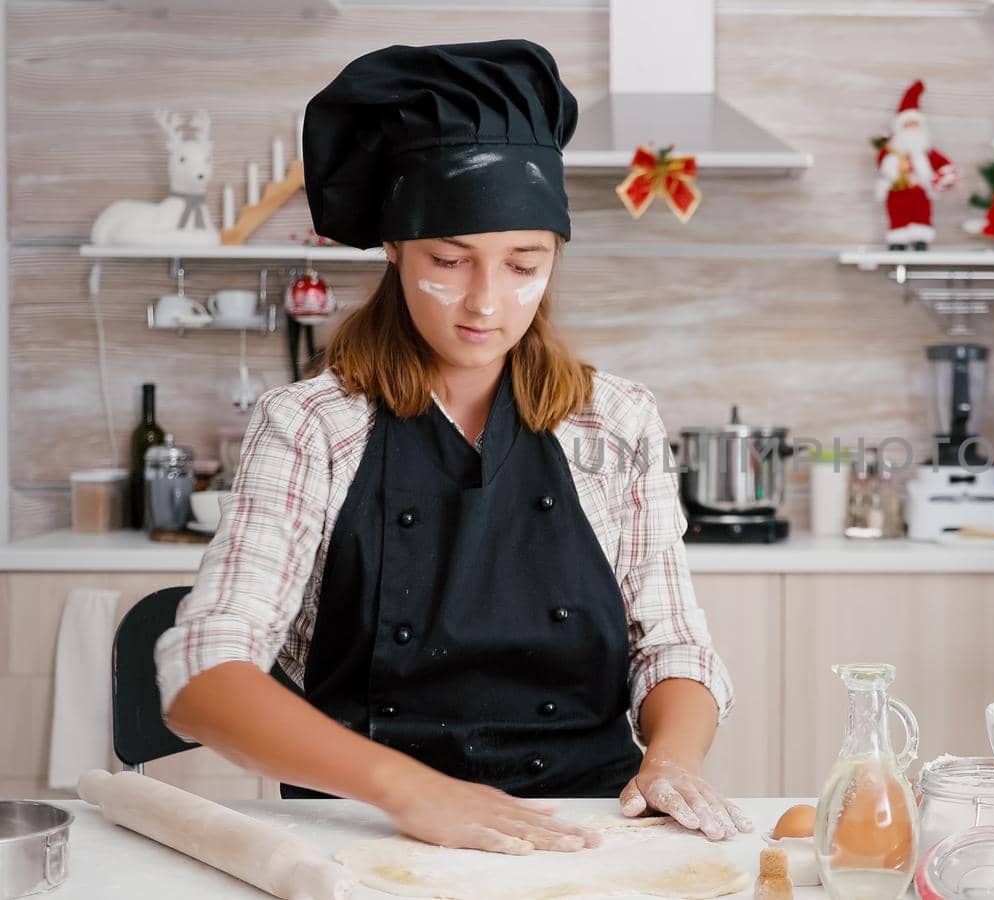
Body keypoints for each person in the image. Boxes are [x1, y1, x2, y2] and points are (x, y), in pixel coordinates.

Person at [154, 39, 748, 855]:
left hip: (590, 828)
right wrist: (411, 793)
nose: (486, 302)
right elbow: (201, 675)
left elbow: (673, 644)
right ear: (395, 248)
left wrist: (671, 760)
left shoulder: (615, 420)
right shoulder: (311, 425)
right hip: (369, 831)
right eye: (449, 259)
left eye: (522, 264)